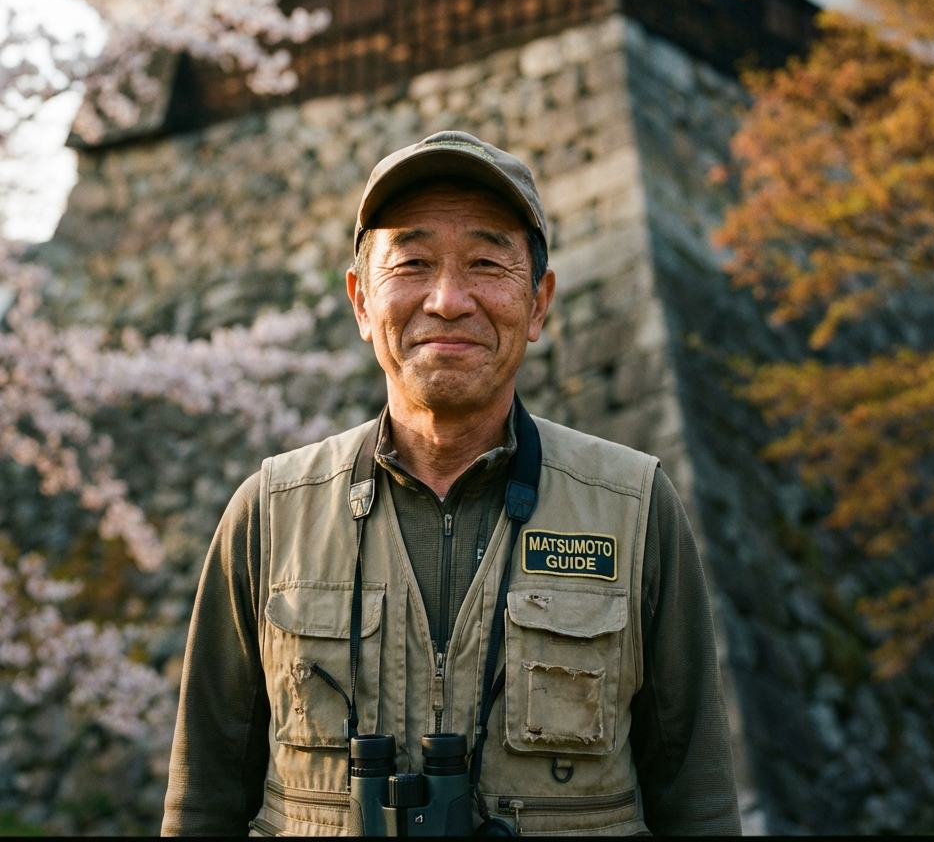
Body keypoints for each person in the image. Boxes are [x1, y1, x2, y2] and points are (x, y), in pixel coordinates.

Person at [161, 130, 741, 836]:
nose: (447, 298)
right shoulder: (271, 512)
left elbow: (699, 804)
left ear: (538, 303)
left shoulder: (634, 507)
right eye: (412, 262)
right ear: (361, 302)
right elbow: (203, 805)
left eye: (487, 263)